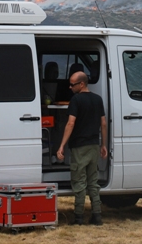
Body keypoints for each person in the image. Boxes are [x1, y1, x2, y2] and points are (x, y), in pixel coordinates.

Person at [56, 71, 108, 225]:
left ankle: (78, 217)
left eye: (72, 84)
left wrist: (61, 146)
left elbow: (71, 123)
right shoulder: (98, 99)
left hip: (79, 147)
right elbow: (103, 123)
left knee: (79, 182)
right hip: (93, 146)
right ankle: (97, 216)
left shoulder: (76, 100)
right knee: (93, 182)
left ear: (81, 84)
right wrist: (103, 144)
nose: (70, 87)